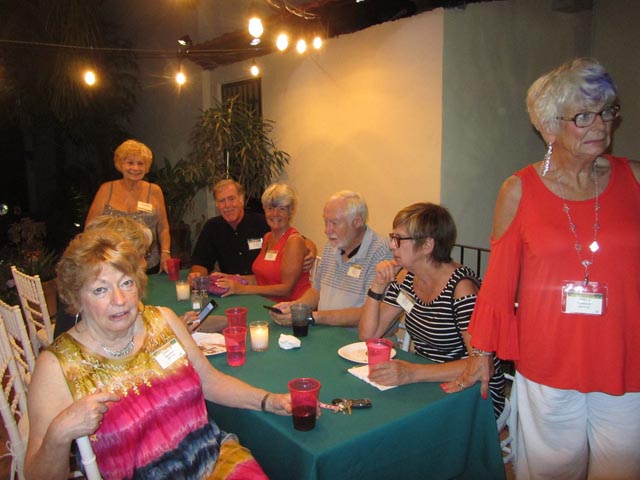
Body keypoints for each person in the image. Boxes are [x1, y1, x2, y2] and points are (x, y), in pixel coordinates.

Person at [445, 58, 640, 479]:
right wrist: (481, 354)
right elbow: (499, 283)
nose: (601, 125)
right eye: (584, 116)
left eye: (607, 111)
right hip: (549, 364)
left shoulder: (635, 181)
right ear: (549, 126)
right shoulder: (519, 190)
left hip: (626, 362)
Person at [25, 228, 291, 479]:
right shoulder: (58, 365)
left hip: (214, 459)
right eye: (100, 289)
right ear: (76, 298)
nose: (119, 300)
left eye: (126, 283)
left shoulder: (163, 320)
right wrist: (59, 433)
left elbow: (210, 381)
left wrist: (268, 400)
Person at [358, 202, 506, 418]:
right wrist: (378, 285)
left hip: (470, 390)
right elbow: (369, 335)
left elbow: (479, 363)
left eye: (398, 239)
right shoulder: (406, 278)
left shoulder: (462, 288)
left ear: (427, 245)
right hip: (426, 381)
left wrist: (411, 373)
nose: (391, 245)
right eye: (392, 237)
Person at [269, 190, 391, 327]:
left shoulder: (381, 252)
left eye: (334, 223)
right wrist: (296, 307)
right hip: (325, 328)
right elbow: (316, 291)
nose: (327, 231)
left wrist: (312, 317)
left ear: (357, 222)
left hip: (355, 337)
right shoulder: (332, 245)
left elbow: (370, 313)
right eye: (326, 222)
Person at [187, 179, 316, 283]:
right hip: (231, 289)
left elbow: (298, 239)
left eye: (231, 199)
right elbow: (200, 262)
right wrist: (197, 276)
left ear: (242, 199)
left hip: (261, 288)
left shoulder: (263, 221)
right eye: (222, 201)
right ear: (217, 205)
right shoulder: (212, 227)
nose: (227, 206)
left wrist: (311, 252)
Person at [86, 139, 171, 274]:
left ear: (146, 166)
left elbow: (163, 227)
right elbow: (90, 227)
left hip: (148, 265)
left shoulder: (154, 191)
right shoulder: (106, 190)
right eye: (130, 163)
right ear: (120, 164)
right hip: (113, 264)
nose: (135, 168)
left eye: (140, 163)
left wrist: (165, 252)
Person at [215, 183, 311, 302]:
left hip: (291, 306)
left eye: (281, 209)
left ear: (291, 211)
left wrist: (242, 289)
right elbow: (260, 279)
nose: (275, 214)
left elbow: (286, 289)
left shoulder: (294, 241)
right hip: (267, 302)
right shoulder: (267, 237)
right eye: (270, 208)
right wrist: (230, 278)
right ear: (264, 210)